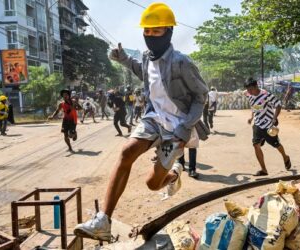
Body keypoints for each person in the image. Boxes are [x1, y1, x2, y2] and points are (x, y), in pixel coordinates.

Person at [74, 2, 208, 241]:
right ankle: (103, 220)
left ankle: (174, 175)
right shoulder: (146, 57)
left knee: (152, 184)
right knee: (126, 152)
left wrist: (185, 127)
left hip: (176, 129)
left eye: (156, 31)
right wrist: (125, 59)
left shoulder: (182, 62)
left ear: (168, 31)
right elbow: (144, 72)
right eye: (147, 31)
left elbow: (201, 96)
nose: (150, 36)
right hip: (154, 119)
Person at [245, 77, 291, 176]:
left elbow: (278, 105)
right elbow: (254, 108)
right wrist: (251, 117)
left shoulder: (266, 95)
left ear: (256, 86)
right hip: (257, 124)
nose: (249, 92)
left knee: (276, 144)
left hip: (268, 125)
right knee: (255, 145)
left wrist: (274, 118)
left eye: (251, 89)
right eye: (248, 90)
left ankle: (285, 157)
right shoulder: (249, 95)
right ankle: (264, 170)